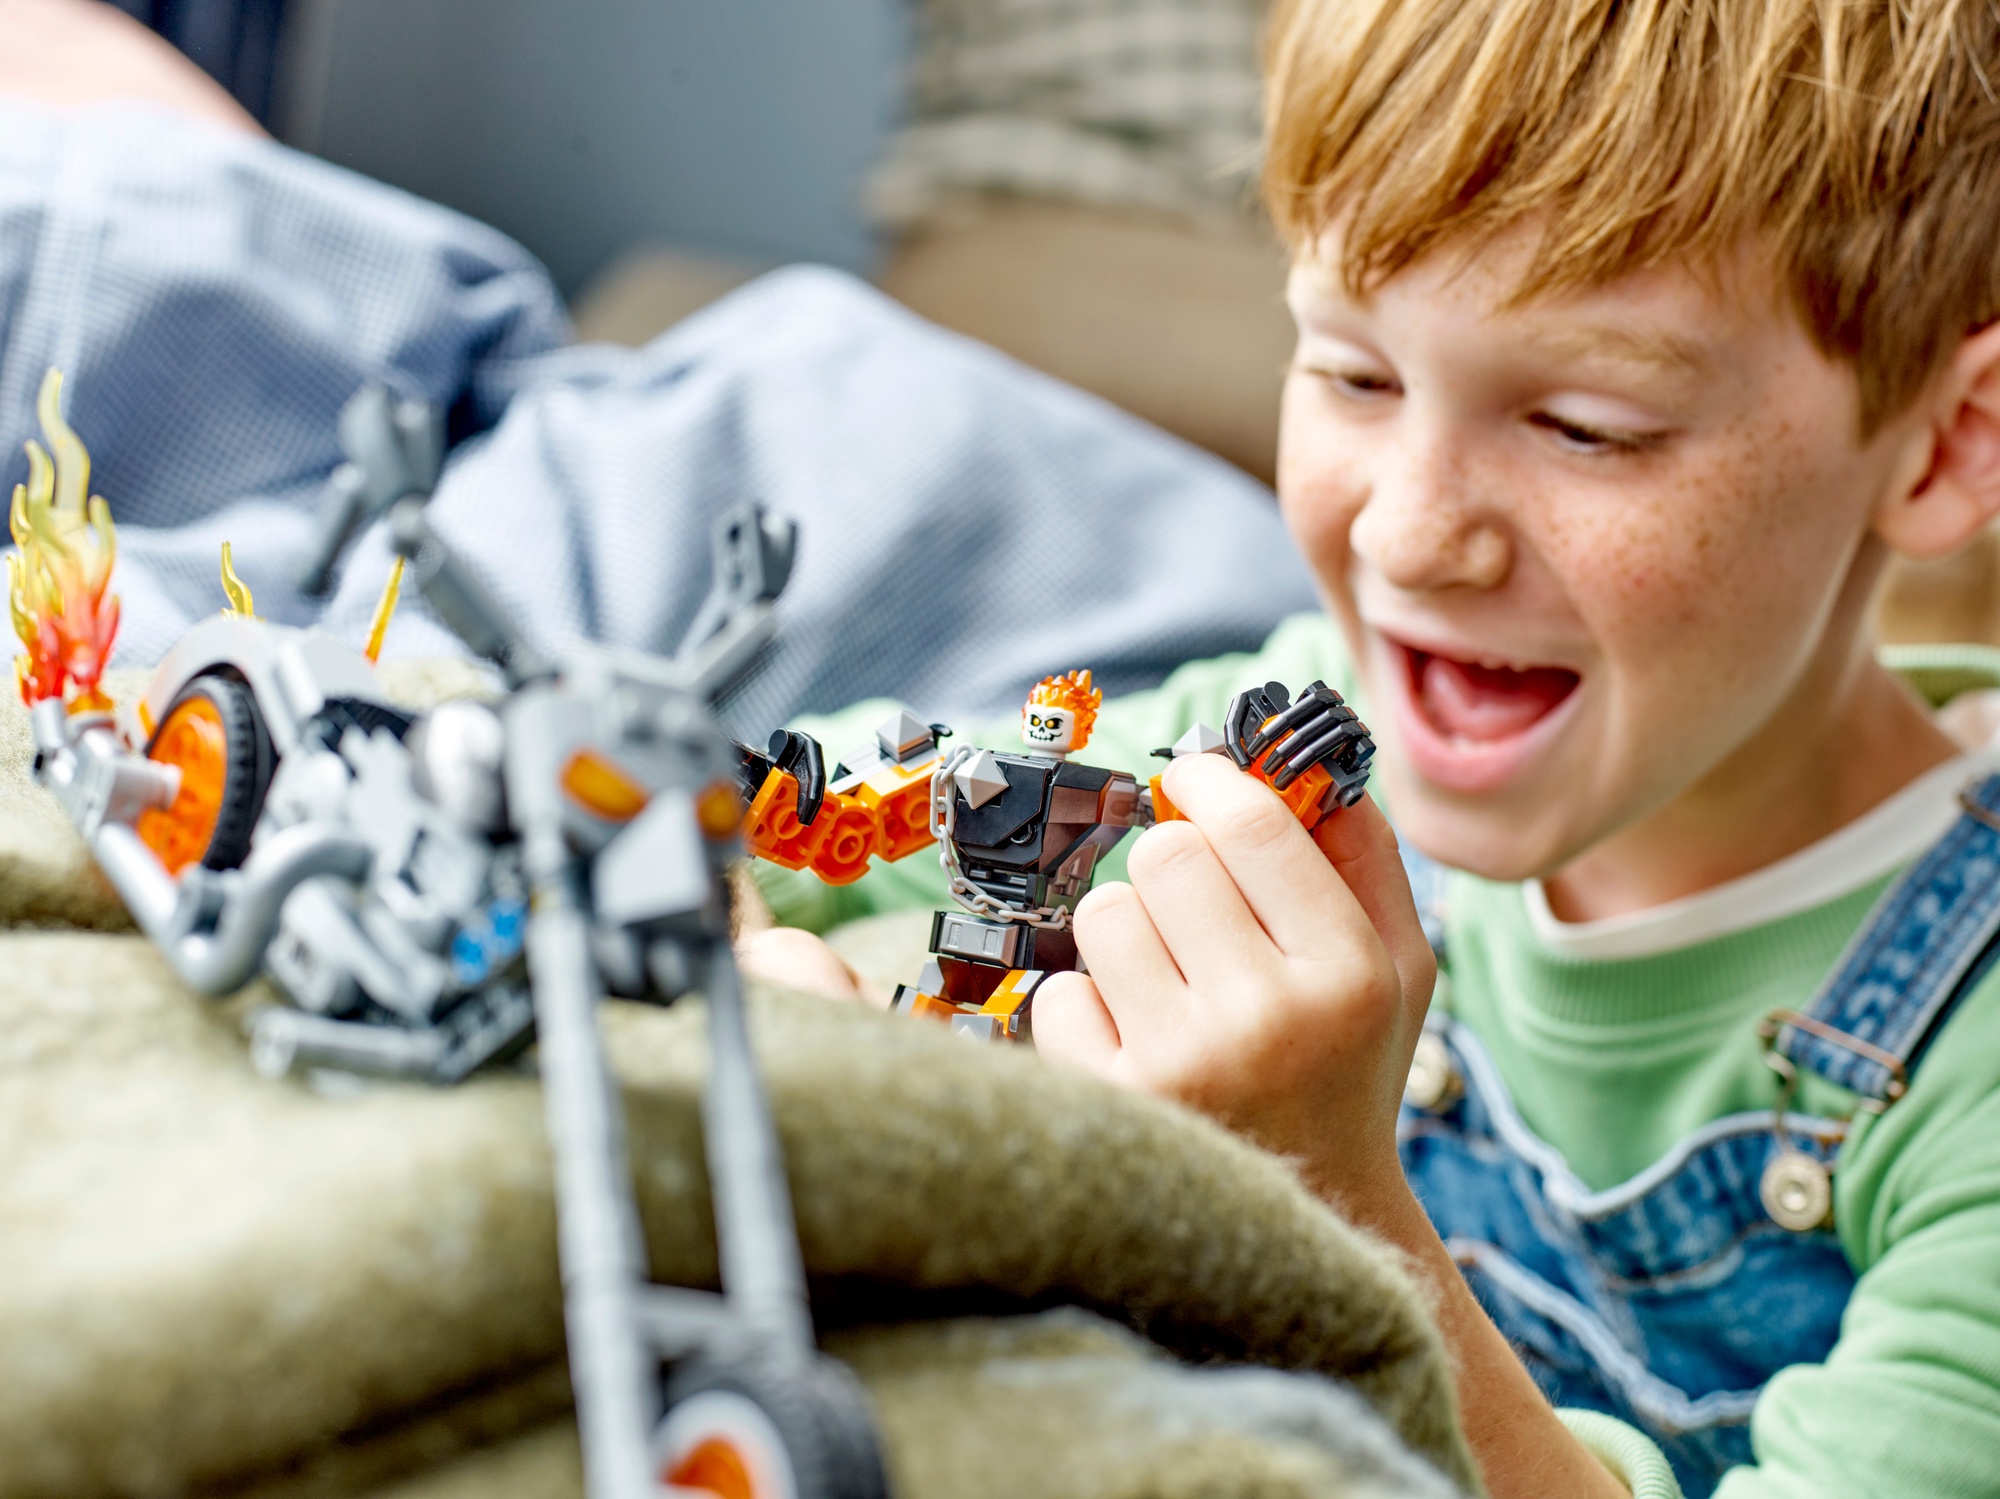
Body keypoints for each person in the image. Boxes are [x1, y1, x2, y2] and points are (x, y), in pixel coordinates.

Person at [741, 1, 2000, 1496]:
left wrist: (1321, 1207)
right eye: (1354, 374)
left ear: (1945, 445)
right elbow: (887, 804)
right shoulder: (1325, 713)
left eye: (1585, 425)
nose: (1407, 533)